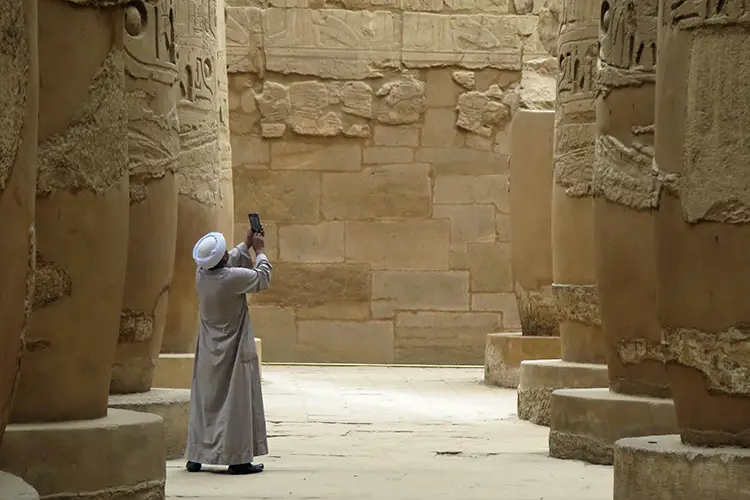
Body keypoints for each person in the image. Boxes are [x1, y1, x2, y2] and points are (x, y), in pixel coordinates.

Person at [185, 227, 272, 475]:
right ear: (221, 258)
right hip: (232, 351)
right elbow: (262, 276)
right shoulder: (231, 279)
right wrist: (260, 250)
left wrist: (244, 244)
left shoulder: (202, 274)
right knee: (235, 402)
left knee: (206, 404)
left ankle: (196, 455)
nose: (227, 253)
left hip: (209, 350)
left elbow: (225, 263)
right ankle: (237, 459)